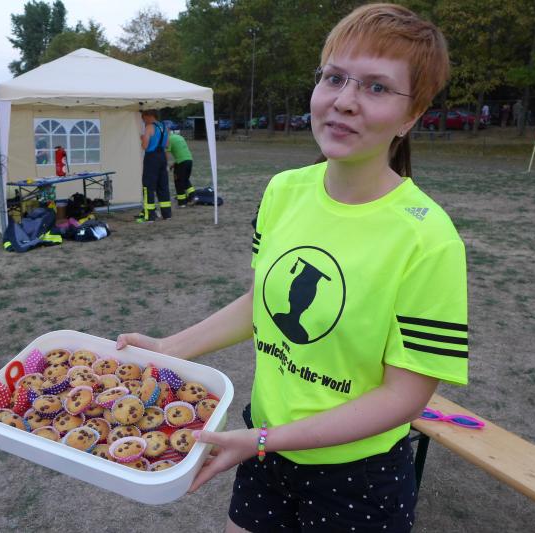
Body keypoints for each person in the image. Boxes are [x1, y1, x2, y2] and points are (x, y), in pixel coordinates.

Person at [117, 4, 467, 531]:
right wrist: (167, 350)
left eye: (376, 87)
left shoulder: (428, 239)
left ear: (411, 116)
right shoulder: (284, 190)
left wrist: (264, 440)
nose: (344, 100)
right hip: (264, 448)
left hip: (358, 474)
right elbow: (261, 302)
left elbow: (405, 397)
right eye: (334, 78)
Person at [137, 109, 172, 223]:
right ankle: (167, 214)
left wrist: (142, 138)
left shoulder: (149, 127)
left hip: (152, 158)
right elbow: (167, 144)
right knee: (163, 186)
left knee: (148, 186)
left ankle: (150, 215)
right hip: (162, 156)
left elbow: (145, 146)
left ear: (149, 116)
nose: (144, 122)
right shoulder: (165, 127)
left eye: (144, 119)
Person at [166, 132, 196, 207]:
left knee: (178, 182)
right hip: (189, 160)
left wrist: (164, 165)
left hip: (181, 162)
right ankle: (193, 197)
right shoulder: (179, 137)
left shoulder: (168, 140)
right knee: (185, 180)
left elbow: (166, 154)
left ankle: (182, 203)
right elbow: (182, 152)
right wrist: (174, 163)